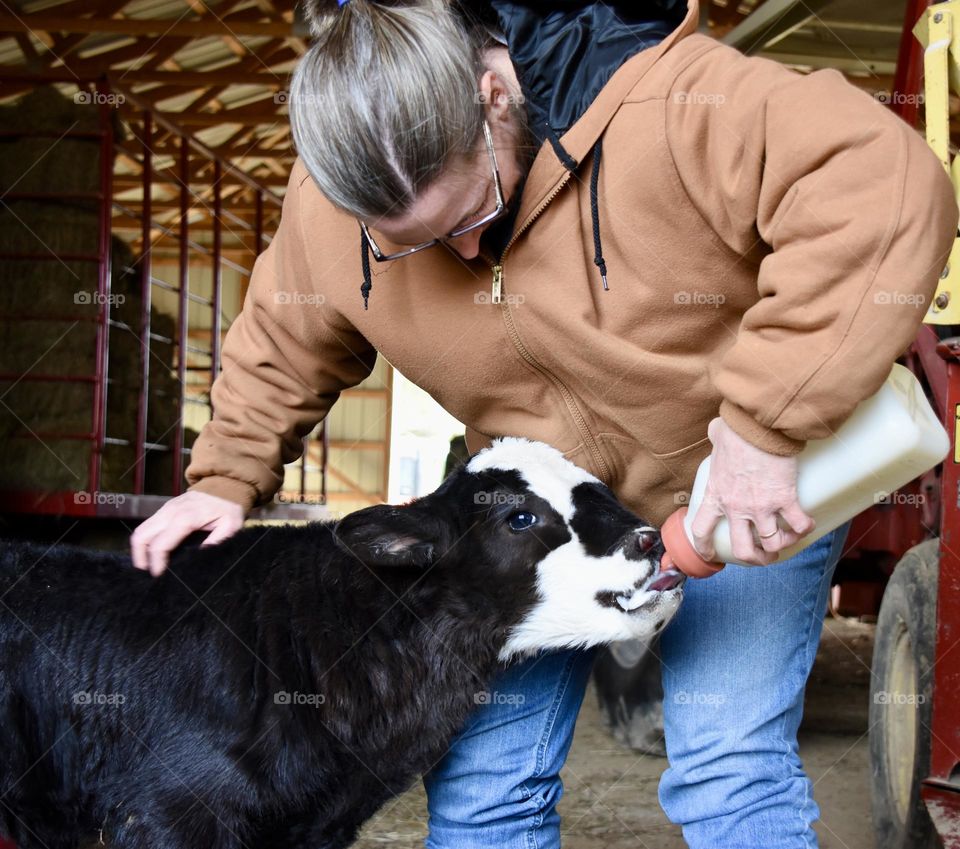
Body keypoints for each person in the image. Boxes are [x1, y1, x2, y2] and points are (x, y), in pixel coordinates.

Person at [130, 1, 958, 846]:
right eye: (409, 246)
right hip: (527, 516)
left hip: (735, 481)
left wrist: (765, 422)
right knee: (487, 788)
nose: (460, 256)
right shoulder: (340, 197)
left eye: (465, 217)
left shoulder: (667, 105)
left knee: (727, 769)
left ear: (495, 95)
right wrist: (224, 476)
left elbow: (880, 185)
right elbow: (285, 331)